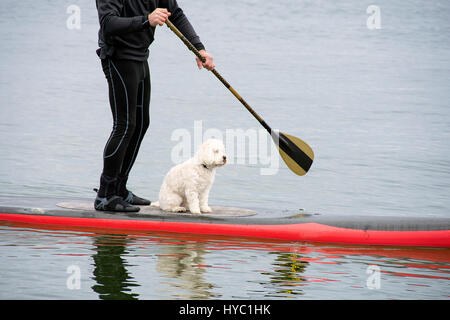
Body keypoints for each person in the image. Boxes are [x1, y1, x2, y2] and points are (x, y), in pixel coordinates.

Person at [94, 0, 215, 212]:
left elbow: (175, 13)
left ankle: (119, 190)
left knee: (141, 124)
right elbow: (108, 23)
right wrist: (146, 20)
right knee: (124, 126)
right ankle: (105, 195)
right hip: (118, 56)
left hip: (140, 56)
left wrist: (199, 49)